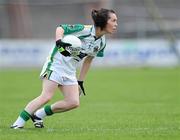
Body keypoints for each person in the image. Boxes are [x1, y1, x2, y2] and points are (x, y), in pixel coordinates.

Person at [11, 8, 118, 129]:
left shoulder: (102, 43)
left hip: (70, 70)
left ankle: (38, 115)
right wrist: (59, 42)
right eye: (113, 20)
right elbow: (60, 28)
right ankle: (18, 123)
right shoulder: (84, 30)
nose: (116, 24)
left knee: (73, 102)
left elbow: (89, 60)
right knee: (46, 96)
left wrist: (80, 81)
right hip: (55, 64)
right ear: (104, 21)